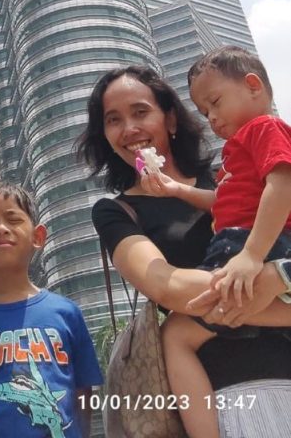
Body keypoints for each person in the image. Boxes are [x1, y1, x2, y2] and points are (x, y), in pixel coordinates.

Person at [77, 65, 291, 431]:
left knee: (178, 329)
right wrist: (276, 286)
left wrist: (281, 274)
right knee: (175, 330)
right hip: (224, 401)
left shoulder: (231, 175)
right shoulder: (117, 210)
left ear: (171, 118)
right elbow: (167, 287)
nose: (129, 128)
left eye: (141, 111)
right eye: (113, 120)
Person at [141, 48, 291, 438]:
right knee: (181, 332)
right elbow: (222, 200)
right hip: (245, 245)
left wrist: (252, 255)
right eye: (205, 112)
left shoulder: (264, 130)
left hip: (252, 246)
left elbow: (283, 184)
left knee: (176, 334)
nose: (212, 118)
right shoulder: (237, 154)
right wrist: (176, 189)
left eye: (215, 103)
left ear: (253, 86)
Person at [0, 180, 102, 438]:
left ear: (38, 236)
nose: (1, 229)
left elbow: (82, 393)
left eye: (13, 219)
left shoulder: (66, 312)